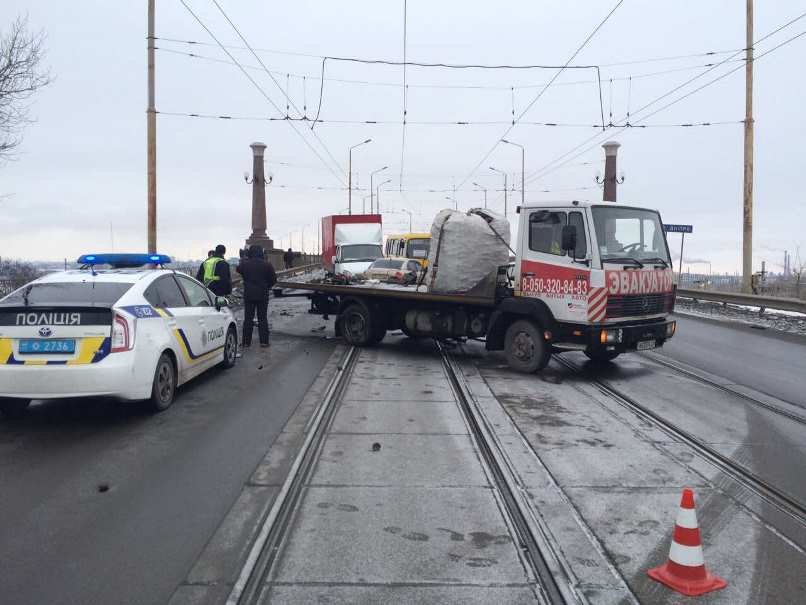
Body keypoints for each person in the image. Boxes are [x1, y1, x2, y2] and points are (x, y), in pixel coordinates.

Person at [237, 244, 277, 348]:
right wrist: (266, 286)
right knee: (262, 318)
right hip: (263, 294)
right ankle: (264, 342)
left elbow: (238, 269)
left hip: (249, 295)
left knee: (248, 318)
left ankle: (246, 342)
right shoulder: (267, 264)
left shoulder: (245, 264)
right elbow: (274, 280)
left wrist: (244, 257)